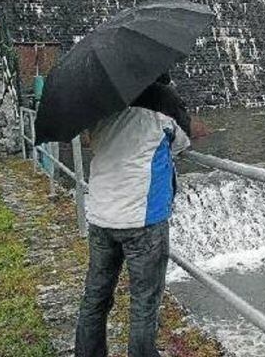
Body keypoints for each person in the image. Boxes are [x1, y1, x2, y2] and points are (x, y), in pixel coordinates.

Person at [75, 74, 204, 357]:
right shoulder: (163, 98)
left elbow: (89, 140)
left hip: (101, 214)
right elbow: (182, 143)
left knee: (95, 297)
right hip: (143, 218)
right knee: (144, 303)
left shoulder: (100, 99)